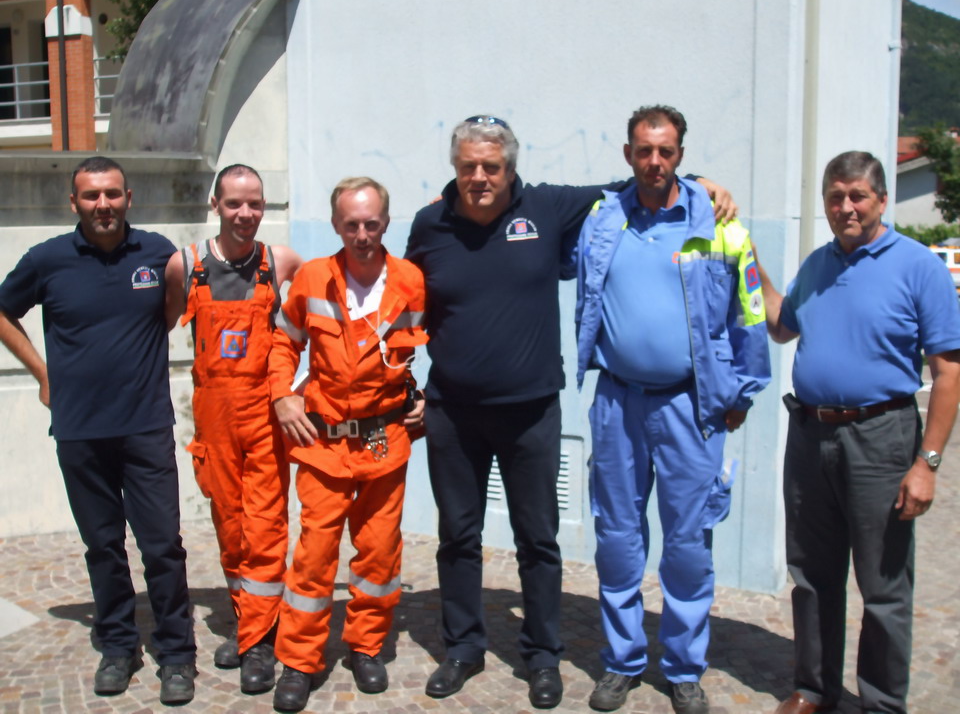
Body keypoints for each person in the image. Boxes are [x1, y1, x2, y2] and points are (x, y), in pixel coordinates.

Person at [404, 114, 738, 710]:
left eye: (491, 167)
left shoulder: (549, 207)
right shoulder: (429, 224)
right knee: (457, 536)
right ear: (454, 168)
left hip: (531, 409)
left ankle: (541, 657)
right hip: (452, 410)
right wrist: (406, 392)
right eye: (468, 166)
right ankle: (463, 648)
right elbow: (406, 309)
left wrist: (702, 183)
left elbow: (638, 180)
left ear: (510, 169)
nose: (479, 177)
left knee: (539, 539)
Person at [569, 105, 770, 714]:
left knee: (687, 544)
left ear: (681, 154)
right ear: (627, 154)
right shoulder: (602, 219)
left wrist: (743, 390)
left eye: (666, 151)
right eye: (643, 150)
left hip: (693, 408)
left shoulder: (721, 224)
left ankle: (684, 668)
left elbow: (750, 312)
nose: (654, 161)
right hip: (617, 405)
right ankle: (622, 662)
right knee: (617, 538)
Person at [754, 151, 960, 714]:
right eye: (835, 197)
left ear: (881, 200)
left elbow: (948, 374)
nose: (845, 207)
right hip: (810, 436)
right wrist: (750, 265)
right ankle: (814, 689)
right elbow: (781, 326)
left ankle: (882, 703)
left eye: (857, 196)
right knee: (812, 576)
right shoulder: (817, 265)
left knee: (883, 585)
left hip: (881, 438)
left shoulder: (918, 267)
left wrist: (927, 463)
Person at [0, 156, 197, 705]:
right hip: (80, 430)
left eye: (112, 193)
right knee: (103, 545)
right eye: (91, 195)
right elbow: (2, 311)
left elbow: (174, 309)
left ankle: (176, 653)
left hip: (146, 425)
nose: (103, 204)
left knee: (162, 546)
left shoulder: (158, 253)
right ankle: (118, 645)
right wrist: (43, 374)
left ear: (128, 198)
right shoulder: (47, 260)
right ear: (74, 203)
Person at [266, 177, 427, 712]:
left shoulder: (410, 282)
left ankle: (366, 646)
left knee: (379, 553)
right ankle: (299, 660)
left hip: (384, 441)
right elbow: (283, 342)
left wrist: (427, 397)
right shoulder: (313, 278)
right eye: (351, 224)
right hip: (324, 443)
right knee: (314, 556)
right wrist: (282, 397)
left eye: (371, 223)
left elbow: (434, 348)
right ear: (336, 225)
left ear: (386, 223)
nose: (362, 234)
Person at [164, 164, 302, 693]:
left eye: (255, 203)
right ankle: (254, 623)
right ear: (215, 205)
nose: (246, 213)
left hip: (265, 416)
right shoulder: (186, 265)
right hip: (214, 417)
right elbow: (153, 328)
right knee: (230, 526)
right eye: (235, 203)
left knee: (265, 527)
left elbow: (320, 309)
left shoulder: (279, 262)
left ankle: (259, 644)